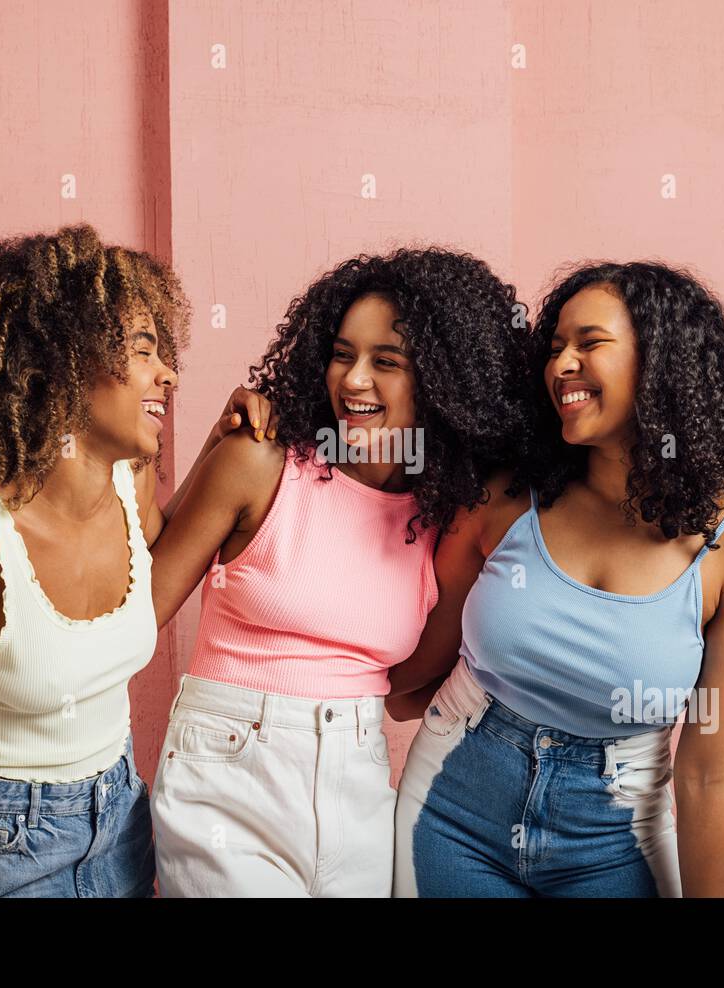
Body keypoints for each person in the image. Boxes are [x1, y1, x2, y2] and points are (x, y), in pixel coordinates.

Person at [0, 223, 265, 897]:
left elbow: (158, 574)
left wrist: (217, 447)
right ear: (60, 362)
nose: (167, 372)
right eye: (142, 350)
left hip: (120, 824)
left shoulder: (130, 481)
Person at [389, 261, 724, 897]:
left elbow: (711, 771)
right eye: (555, 349)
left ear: (663, 365)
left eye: (590, 343)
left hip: (617, 839)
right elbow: (408, 678)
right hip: (453, 809)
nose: (562, 365)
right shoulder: (506, 501)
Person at [145, 248, 537, 896]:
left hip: (359, 781)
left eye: (385, 362)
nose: (353, 380)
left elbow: (407, 689)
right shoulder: (262, 462)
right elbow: (136, 616)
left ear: (444, 380)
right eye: (342, 354)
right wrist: (206, 446)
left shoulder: (440, 514)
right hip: (229, 777)